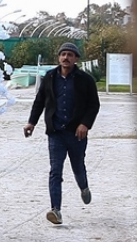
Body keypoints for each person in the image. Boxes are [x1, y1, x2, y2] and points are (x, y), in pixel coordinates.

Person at [24, 42, 101, 225]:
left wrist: (85, 124)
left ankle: (83, 187)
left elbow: (93, 105)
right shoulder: (49, 77)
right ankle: (55, 210)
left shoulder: (85, 79)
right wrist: (31, 123)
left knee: (78, 167)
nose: (66, 58)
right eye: (63, 54)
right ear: (59, 57)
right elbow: (39, 101)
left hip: (76, 133)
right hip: (56, 133)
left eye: (70, 55)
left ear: (76, 59)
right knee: (55, 171)